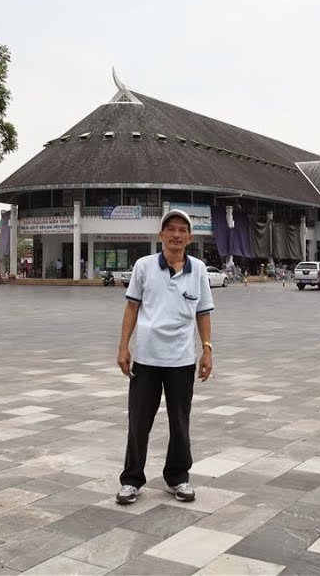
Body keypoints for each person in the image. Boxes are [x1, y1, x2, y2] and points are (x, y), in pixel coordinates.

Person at [115, 209, 214, 506]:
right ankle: (131, 480)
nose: (176, 234)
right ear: (160, 235)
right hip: (146, 358)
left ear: (190, 237)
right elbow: (132, 307)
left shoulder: (198, 269)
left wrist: (207, 349)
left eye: (182, 230)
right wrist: (123, 346)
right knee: (138, 421)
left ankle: (177, 477)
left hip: (181, 360)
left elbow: (203, 311)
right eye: (170, 229)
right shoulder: (144, 266)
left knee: (180, 421)